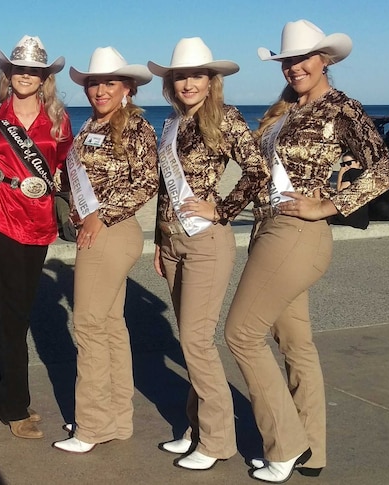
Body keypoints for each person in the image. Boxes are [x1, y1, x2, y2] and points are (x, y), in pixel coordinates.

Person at [223, 20, 389, 483]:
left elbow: (382, 171)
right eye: (287, 61)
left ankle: (286, 445)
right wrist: (221, 210)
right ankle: (313, 450)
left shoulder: (342, 108)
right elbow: (260, 175)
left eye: (303, 59)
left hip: (296, 234)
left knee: (240, 334)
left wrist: (327, 205)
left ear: (326, 60)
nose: (295, 67)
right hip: (268, 230)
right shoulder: (284, 110)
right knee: (295, 343)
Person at [146, 38, 269, 470]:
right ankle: (196, 428)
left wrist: (223, 209)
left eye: (196, 75)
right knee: (188, 338)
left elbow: (258, 171)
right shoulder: (172, 124)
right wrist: (160, 241)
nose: (187, 83)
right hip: (175, 243)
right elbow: (164, 189)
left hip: (206, 241)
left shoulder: (226, 118)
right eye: (180, 76)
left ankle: (217, 442)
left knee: (197, 342)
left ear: (211, 80)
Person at [52, 46, 159, 453]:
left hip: (113, 232)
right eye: (94, 83)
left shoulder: (135, 126)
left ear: (127, 87)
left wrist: (101, 215)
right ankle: (116, 419)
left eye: (109, 82)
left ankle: (91, 426)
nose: (99, 90)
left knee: (89, 327)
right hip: (99, 231)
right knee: (111, 327)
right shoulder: (89, 126)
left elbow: (147, 181)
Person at [0, 35, 73, 439]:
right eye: (19, 70)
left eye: (34, 71)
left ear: (44, 77)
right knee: (10, 312)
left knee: (23, 310)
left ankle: (12, 395)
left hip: (39, 222)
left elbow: (65, 171)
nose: (26, 76)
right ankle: (13, 406)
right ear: (8, 74)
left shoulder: (59, 121)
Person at [328, 152, 389, 228]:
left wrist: (340, 174)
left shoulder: (351, 172)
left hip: (377, 212)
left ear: (358, 162)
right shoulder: (373, 173)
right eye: (343, 165)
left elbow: (341, 194)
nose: (346, 167)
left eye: (349, 163)